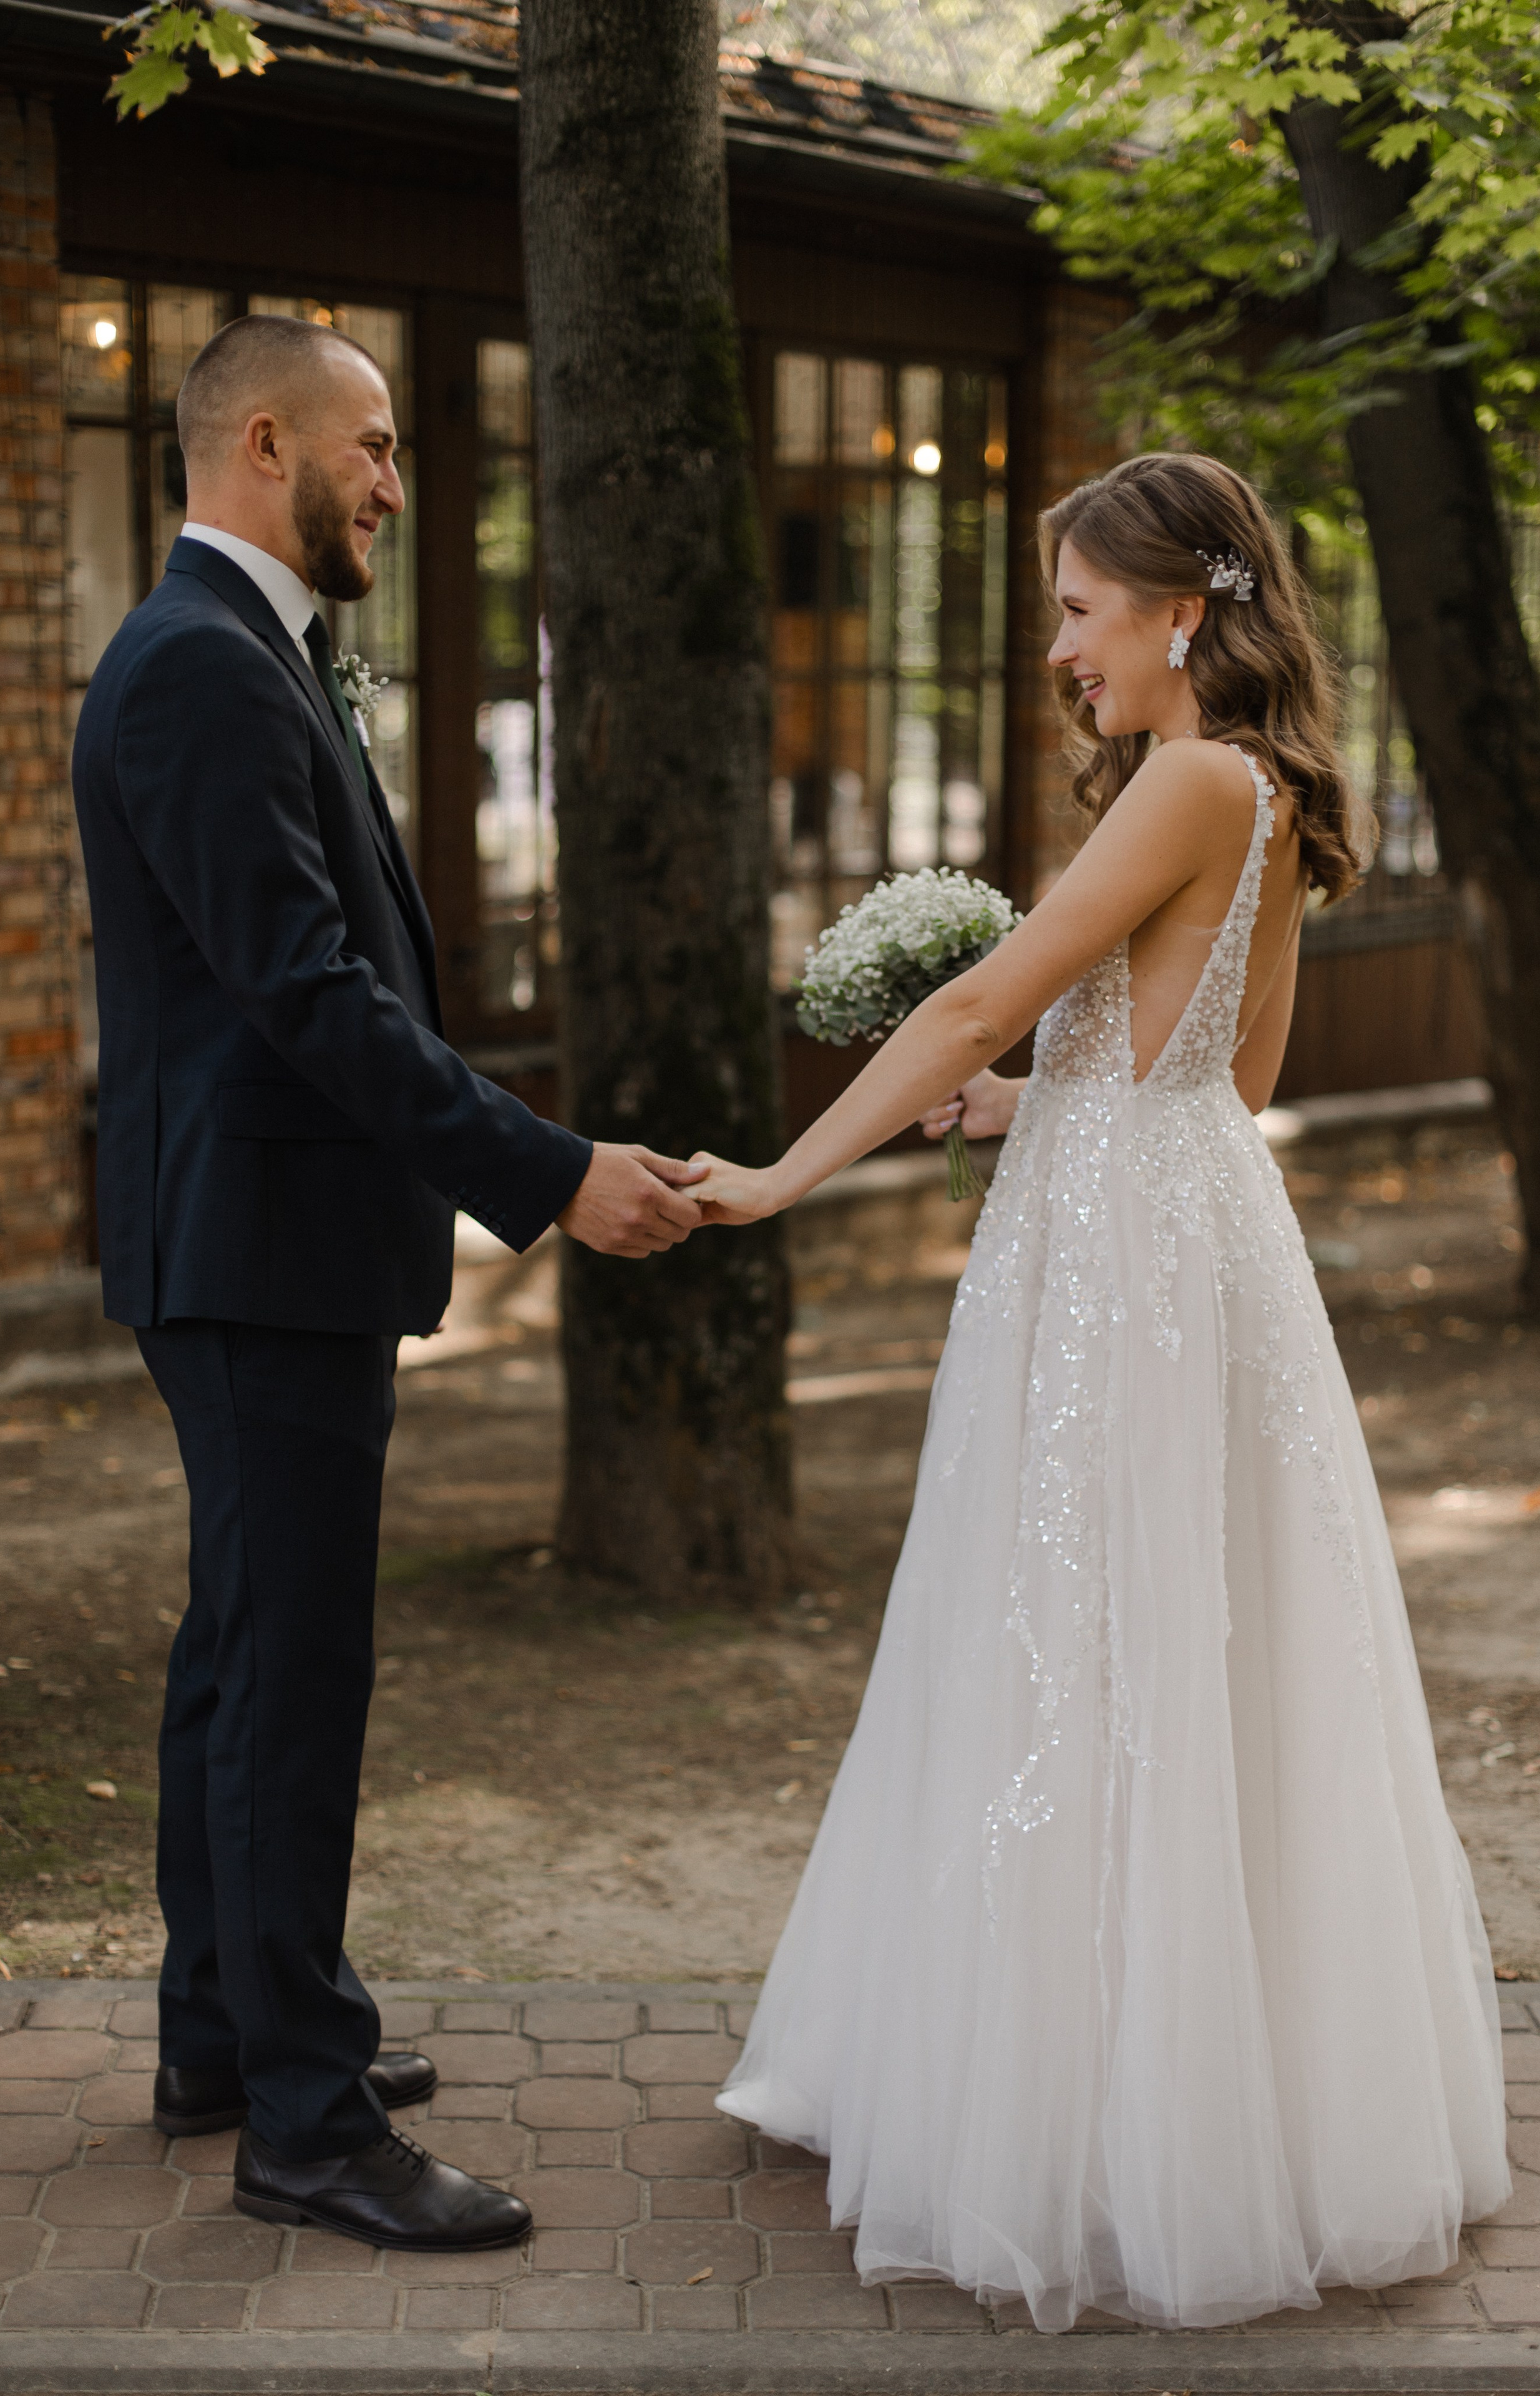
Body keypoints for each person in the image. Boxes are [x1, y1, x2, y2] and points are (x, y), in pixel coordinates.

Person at [695, 452, 1510, 2329]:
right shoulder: (1272, 797)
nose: (1060, 651)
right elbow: (1224, 1072)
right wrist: (1040, 1103)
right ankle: (1236, 2100)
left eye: (1078, 611)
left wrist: (779, 1177)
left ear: (1182, 611)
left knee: (1084, 1638)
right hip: (1196, 1235)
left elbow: (982, 1005)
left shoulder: (1189, 779)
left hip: (1122, 1276)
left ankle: (1084, 2126)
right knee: (1190, 1650)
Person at [71, 313, 707, 2253]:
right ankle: (308, 2125)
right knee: (289, 1676)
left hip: (261, 1244)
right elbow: (304, 993)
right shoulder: (200, 663)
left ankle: (220, 2032)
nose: (397, 487)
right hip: (254, 1251)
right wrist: (550, 1174)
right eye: (376, 448)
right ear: (265, 442)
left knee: (237, 1658)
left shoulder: (242, 647)